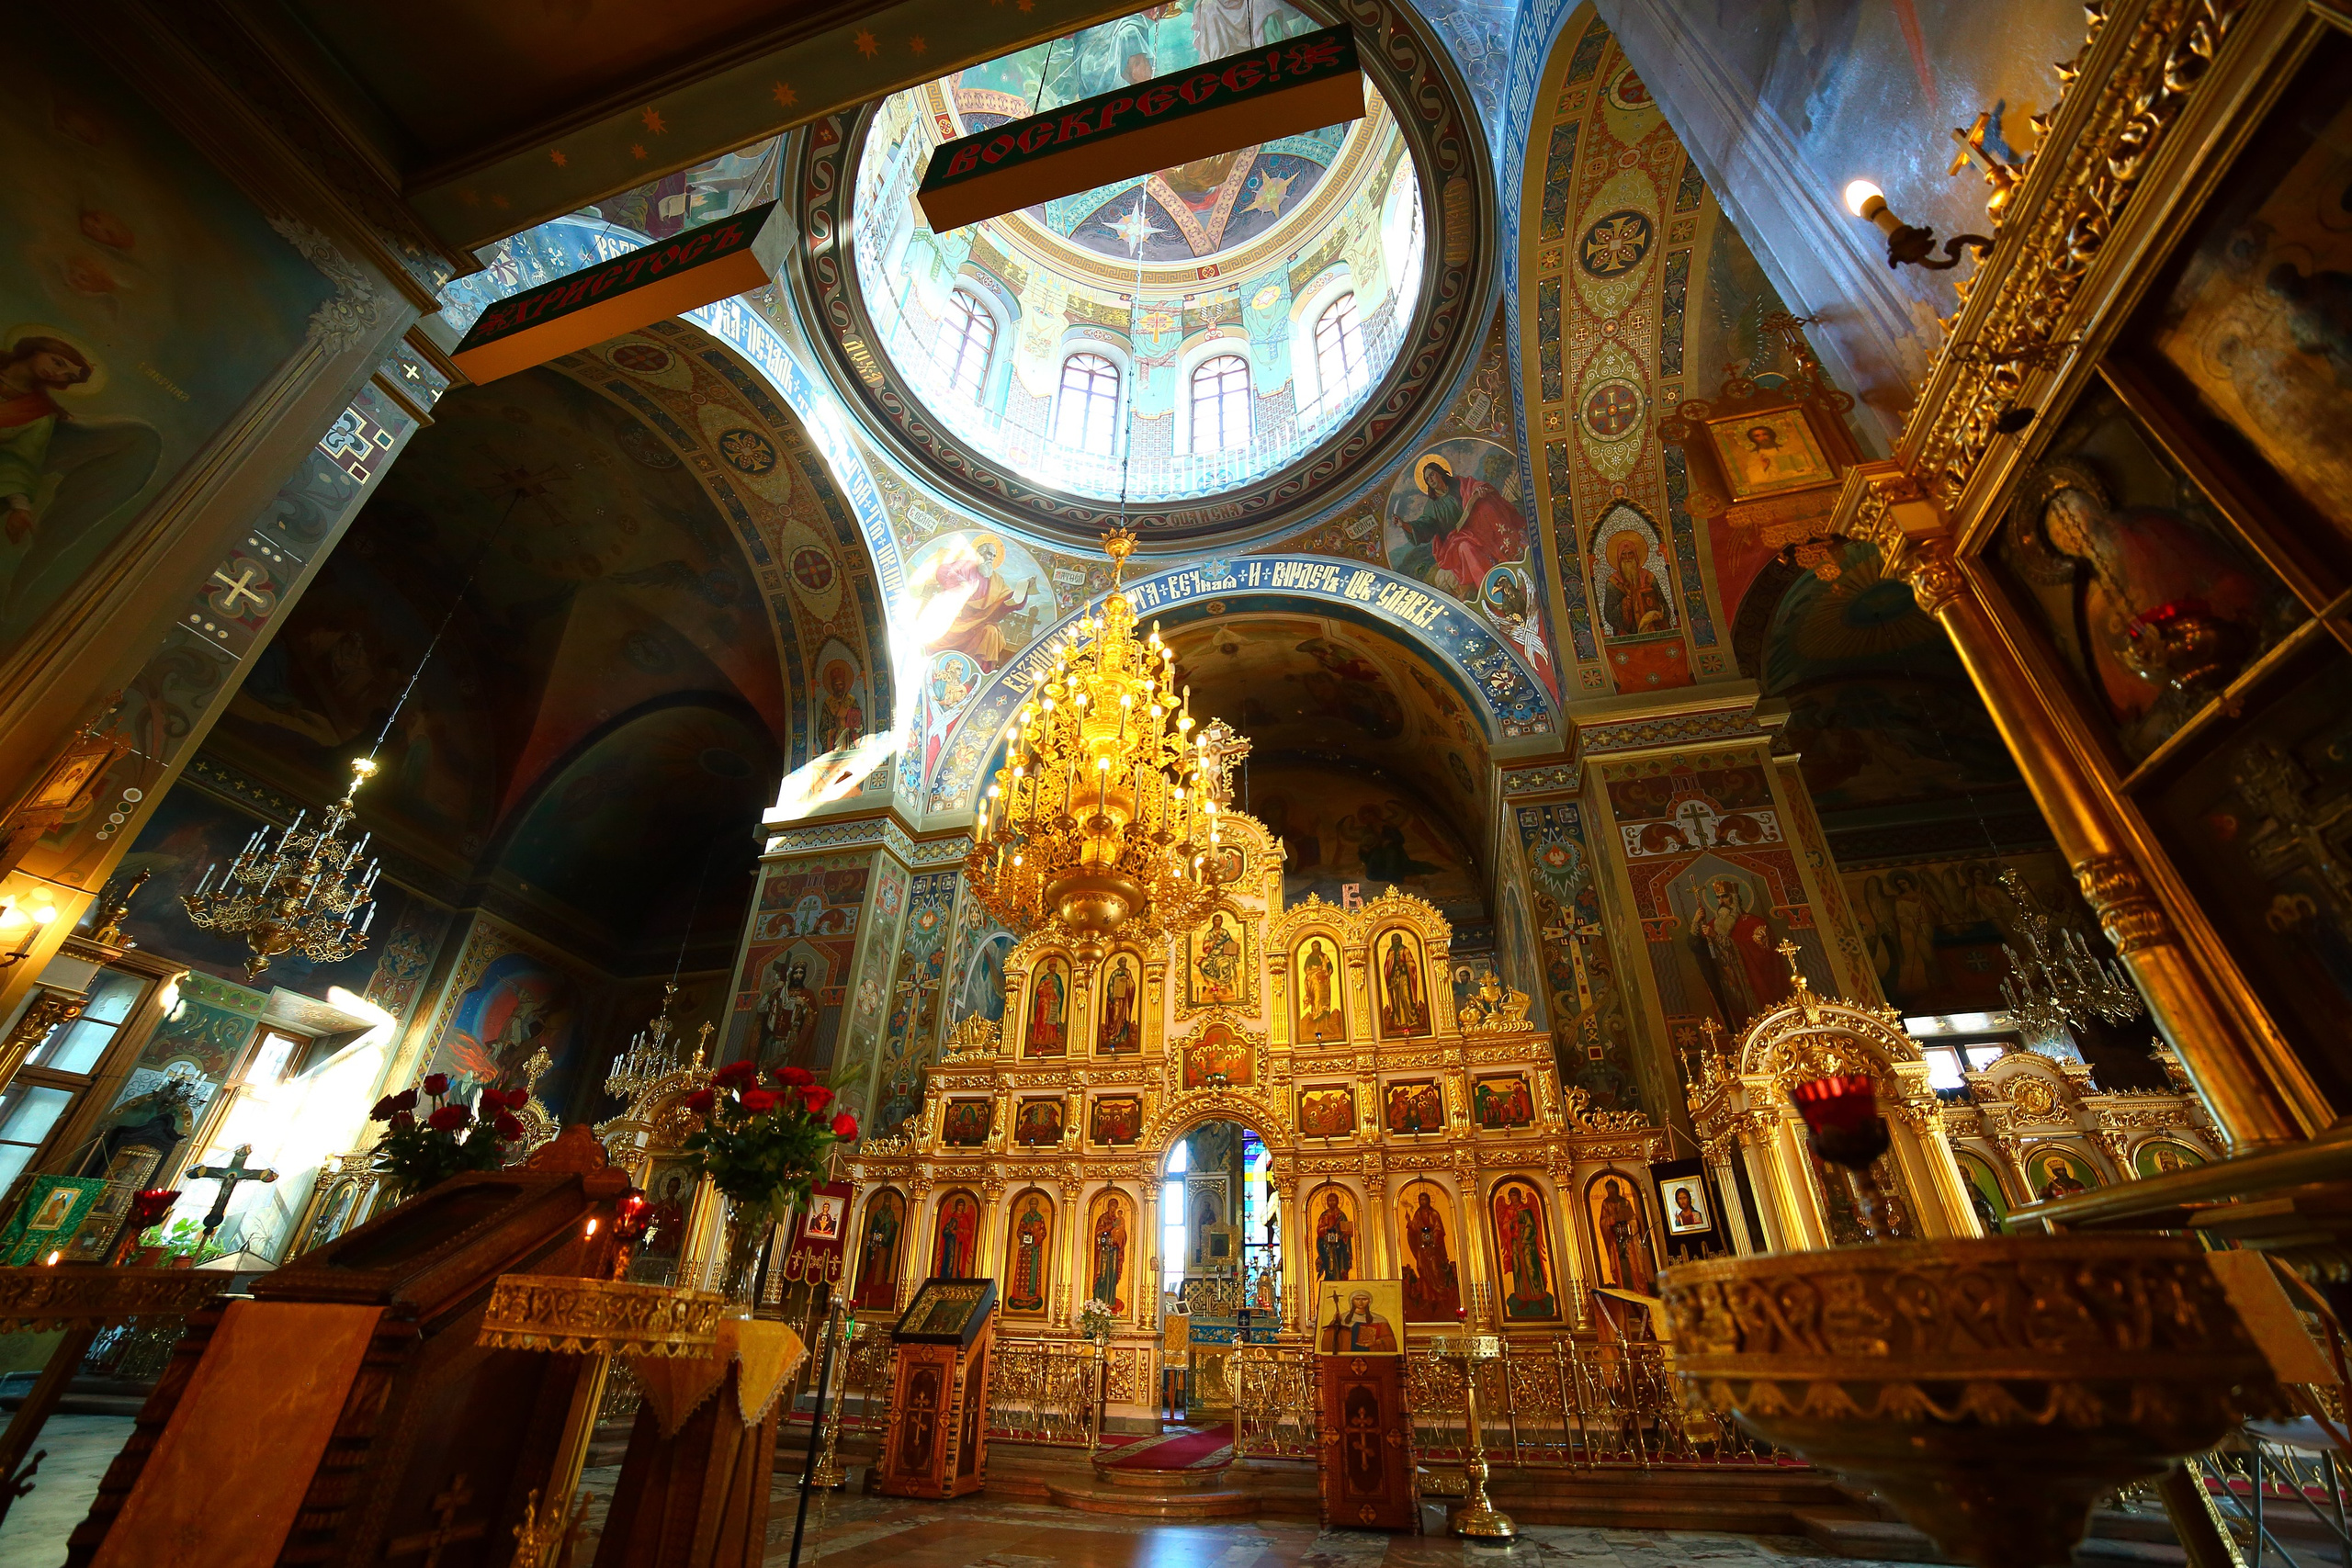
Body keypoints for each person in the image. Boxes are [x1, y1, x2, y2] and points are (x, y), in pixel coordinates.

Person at [1320, 1289, 1399, 1353]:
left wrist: (1376, 1342)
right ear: (1352, 1301)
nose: (1360, 1302)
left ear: (1369, 1301)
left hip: (1371, 1355)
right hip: (1347, 1355)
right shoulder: (1342, 1318)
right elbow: (1330, 1337)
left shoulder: (1379, 1320)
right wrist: (1335, 1323)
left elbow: (1389, 1339)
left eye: (1364, 1299)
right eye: (1357, 1299)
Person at [1313, 1189, 1354, 1281]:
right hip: (1327, 1245)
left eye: (1334, 1200)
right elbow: (1319, 1230)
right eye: (1330, 1200)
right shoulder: (1324, 1215)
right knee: (1329, 1267)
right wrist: (1327, 1227)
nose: (1332, 1202)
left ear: (1337, 1202)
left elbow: (1345, 1229)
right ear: (1327, 1202)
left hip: (1339, 1245)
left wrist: (1344, 1234)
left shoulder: (1341, 1215)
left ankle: (1340, 1279)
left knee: (1339, 1265)